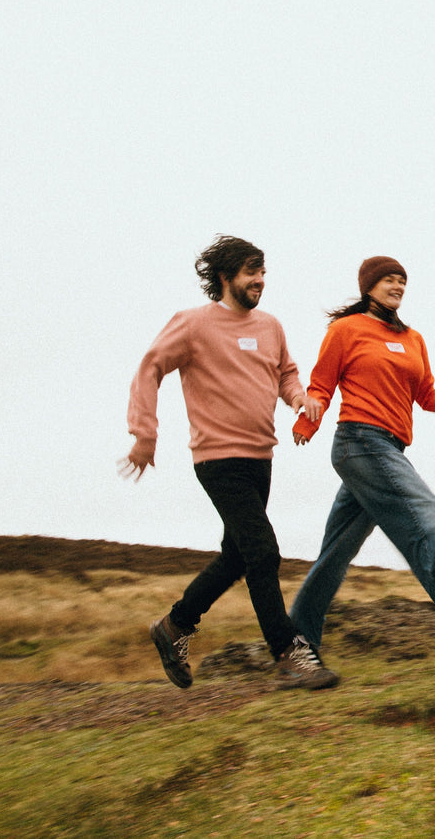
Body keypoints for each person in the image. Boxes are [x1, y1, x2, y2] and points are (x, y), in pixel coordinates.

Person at [120, 235, 339, 691]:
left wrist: (300, 399)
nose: (259, 280)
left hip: (261, 456)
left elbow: (285, 373)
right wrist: (145, 432)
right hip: (218, 459)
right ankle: (289, 654)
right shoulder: (194, 325)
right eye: (250, 272)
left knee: (236, 557)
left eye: (262, 272)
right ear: (225, 278)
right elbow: (151, 366)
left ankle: (175, 626)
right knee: (263, 553)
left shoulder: (271, 326)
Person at [287, 256, 435, 652]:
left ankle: (296, 639)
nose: (397, 287)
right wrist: (308, 422)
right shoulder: (345, 329)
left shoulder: (413, 339)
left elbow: (426, 397)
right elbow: (320, 384)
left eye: (402, 281)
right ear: (368, 286)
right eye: (389, 280)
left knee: (335, 554)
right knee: (429, 514)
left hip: (388, 447)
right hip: (359, 442)